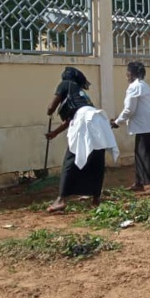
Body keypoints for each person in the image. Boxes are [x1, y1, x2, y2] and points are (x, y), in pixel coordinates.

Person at [45, 67, 119, 213]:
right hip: (98, 119)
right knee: (97, 159)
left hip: (85, 120)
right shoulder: (81, 94)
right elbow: (69, 120)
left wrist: (49, 111)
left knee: (71, 159)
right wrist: (55, 133)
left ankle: (60, 200)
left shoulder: (65, 84)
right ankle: (96, 199)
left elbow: (51, 106)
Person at [112, 62, 150, 193]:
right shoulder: (143, 86)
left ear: (130, 74)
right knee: (141, 154)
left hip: (147, 126)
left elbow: (129, 109)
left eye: (127, 74)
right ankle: (139, 182)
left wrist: (117, 122)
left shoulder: (135, 87)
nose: (126, 77)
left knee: (149, 156)